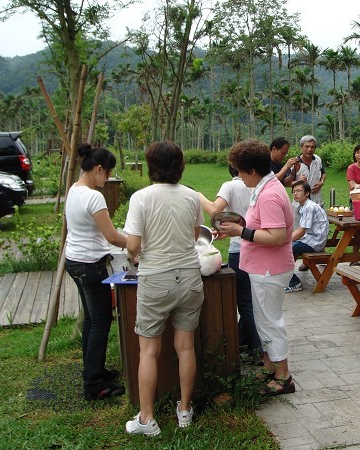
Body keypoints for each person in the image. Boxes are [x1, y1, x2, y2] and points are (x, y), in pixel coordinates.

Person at [124, 141, 204, 436]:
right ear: (181, 165)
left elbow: (133, 245)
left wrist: (138, 250)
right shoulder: (192, 197)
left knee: (149, 351)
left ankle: (147, 419)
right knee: (185, 347)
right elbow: (196, 235)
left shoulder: (141, 198)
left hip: (155, 278)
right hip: (190, 277)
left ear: (150, 166)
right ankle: (184, 409)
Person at [218, 139, 296, 396]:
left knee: (271, 321)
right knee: (263, 320)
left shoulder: (270, 194)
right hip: (262, 268)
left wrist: (241, 231)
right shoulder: (264, 188)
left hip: (269, 269)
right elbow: (258, 228)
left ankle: (283, 376)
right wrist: (236, 231)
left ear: (252, 171)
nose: (238, 177)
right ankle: (271, 367)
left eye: (240, 171)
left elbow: (275, 236)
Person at [64, 143, 127, 401]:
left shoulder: (74, 190)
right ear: (99, 169)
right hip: (90, 266)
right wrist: (137, 243)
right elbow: (112, 236)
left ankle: (94, 372)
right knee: (100, 323)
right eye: (109, 172)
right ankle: (94, 386)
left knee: (91, 321)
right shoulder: (94, 196)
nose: (109, 178)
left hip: (75, 262)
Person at [198, 166, 262, 360]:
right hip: (259, 246)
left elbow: (214, 209)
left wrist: (197, 195)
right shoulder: (260, 186)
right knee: (256, 301)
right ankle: (250, 340)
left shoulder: (230, 186)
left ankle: (259, 350)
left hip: (240, 250)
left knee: (244, 304)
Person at [285, 181, 329, 293]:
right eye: (294, 192)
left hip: (314, 243)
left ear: (307, 193)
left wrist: (283, 240)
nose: (295, 194)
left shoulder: (309, 207)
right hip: (310, 240)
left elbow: (300, 232)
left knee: (286, 249)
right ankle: (287, 279)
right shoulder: (305, 207)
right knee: (289, 247)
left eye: (298, 191)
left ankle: (294, 283)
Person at [294, 135, 326, 206]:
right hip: (300, 205)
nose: (309, 149)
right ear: (301, 147)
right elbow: (286, 183)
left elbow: (323, 173)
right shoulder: (294, 162)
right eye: (307, 146)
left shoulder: (317, 159)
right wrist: (298, 182)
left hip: (317, 203)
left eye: (312, 147)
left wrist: (321, 182)